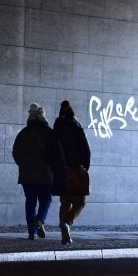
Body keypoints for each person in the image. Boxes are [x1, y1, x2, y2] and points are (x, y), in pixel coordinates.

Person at [51, 100, 91, 245]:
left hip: (61, 172)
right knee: (80, 202)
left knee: (65, 202)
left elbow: (51, 152)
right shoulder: (77, 127)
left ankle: (64, 231)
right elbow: (86, 150)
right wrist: (84, 167)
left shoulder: (56, 130)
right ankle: (67, 223)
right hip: (76, 170)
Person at [12, 103, 54, 240]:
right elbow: (56, 153)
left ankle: (31, 232)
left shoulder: (23, 133)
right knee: (46, 199)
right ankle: (40, 220)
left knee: (30, 202)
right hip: (46, 175)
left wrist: (24, 165)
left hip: (27, 176)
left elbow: (15, 153)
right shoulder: (49, 133)